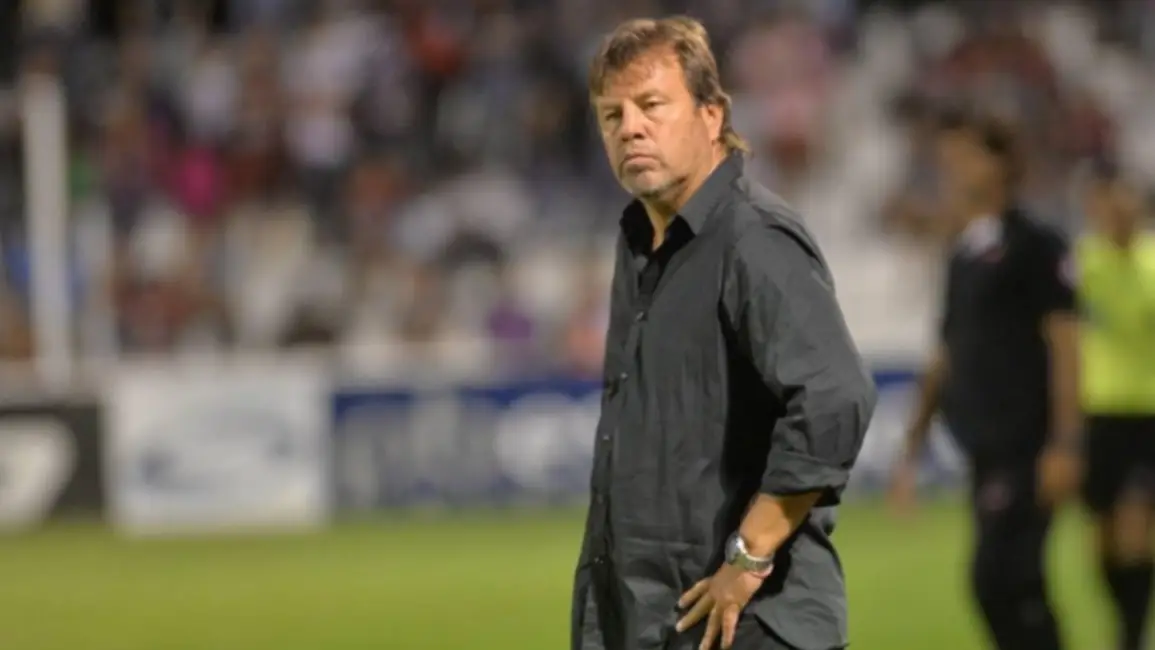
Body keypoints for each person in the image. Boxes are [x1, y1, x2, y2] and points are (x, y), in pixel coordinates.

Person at [572, 16, 876, 650]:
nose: (630, 127)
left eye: (652, 105)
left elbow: (833, 395)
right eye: (612, 115)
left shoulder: (751, 236)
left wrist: (750, 554)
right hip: (662, 622)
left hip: (750, 624)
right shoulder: (641, 244)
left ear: (712, 115)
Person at [888, 109, 1081, 650]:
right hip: (984, 444)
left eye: (966, 154)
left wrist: (1066, 443)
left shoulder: (1037, 244)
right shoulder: (965, 252)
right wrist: (912, 449)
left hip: (1027, 442)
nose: (952, 166)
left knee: (999, 577)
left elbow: (1066, 346)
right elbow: (945, 353)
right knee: (1009, 584)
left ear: (1001, 164)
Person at [1076, 159, 1155, 650]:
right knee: (1100, 539)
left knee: (1135, 528)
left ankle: (1131, 635)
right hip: (1097, 415)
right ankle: (1124, 623)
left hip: (1146, 413)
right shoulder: (1081, 265)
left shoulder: (1152, 263)